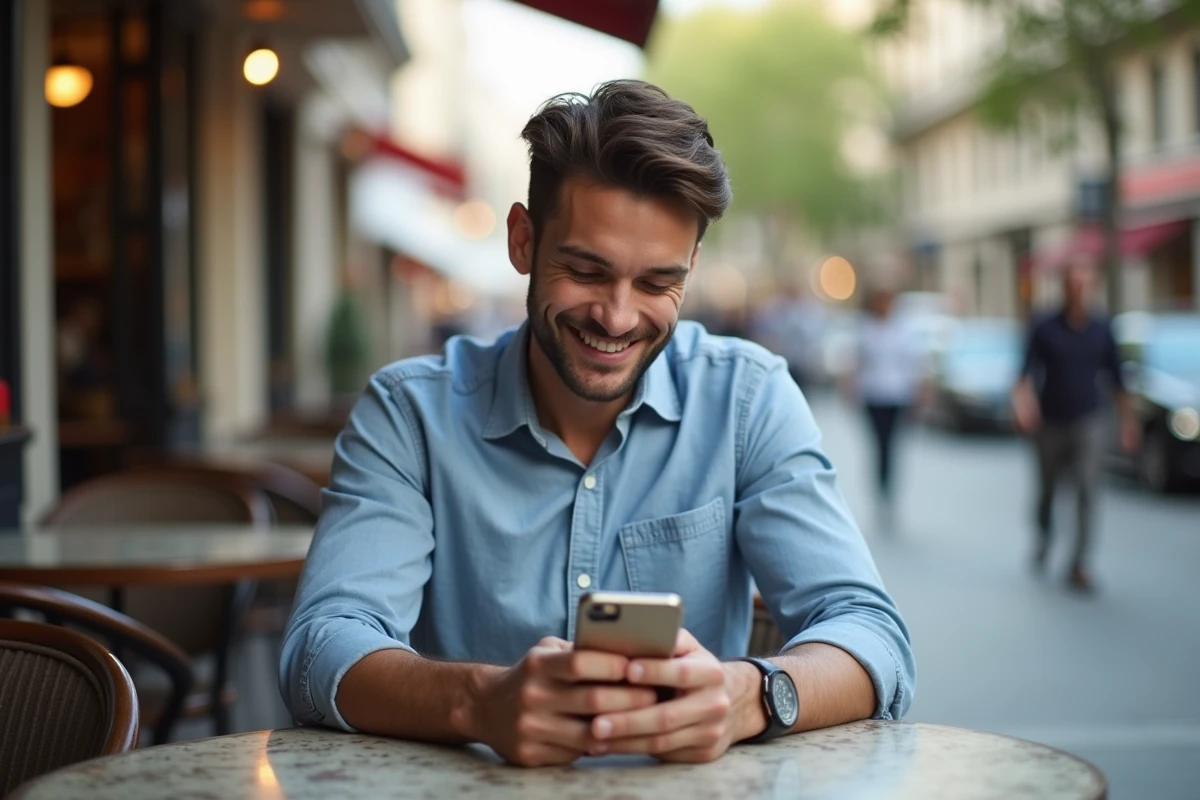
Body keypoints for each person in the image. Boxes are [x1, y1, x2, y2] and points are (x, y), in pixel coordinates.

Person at [280, 80, 914, 767]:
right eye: (586, 270)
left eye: (655, 283)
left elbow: (871, 635)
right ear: (523, 241)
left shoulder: (748, 399)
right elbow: (320, 650)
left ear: (692, 268)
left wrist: (751, 695)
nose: (615, 317)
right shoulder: (409, 415)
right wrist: (478, 703)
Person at [1011, 262, 1140, 593]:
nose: (1079, 290)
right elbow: (1023, 373)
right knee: (1047, 490)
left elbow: (1117, 378)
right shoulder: (1043, 326)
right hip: (1050, 422)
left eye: (1085, 284)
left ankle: (1079, 562)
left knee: (1087, 488)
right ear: (1064, 287)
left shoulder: (1102, 327)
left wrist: (1128, 421)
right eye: (1074, 284)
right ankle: (1044, 534)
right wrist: (1025, 406)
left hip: (1089, 420)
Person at [848, 288, 927, 530]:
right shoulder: (866, 328)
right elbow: (856, 361)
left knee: (892, 447)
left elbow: (915, 363)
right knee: (878, 446)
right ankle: (879, 493)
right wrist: (850, 389)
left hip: (897, 395)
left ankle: (889, 493)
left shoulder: (903, 329)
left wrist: (920, 394)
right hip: (873, 395)